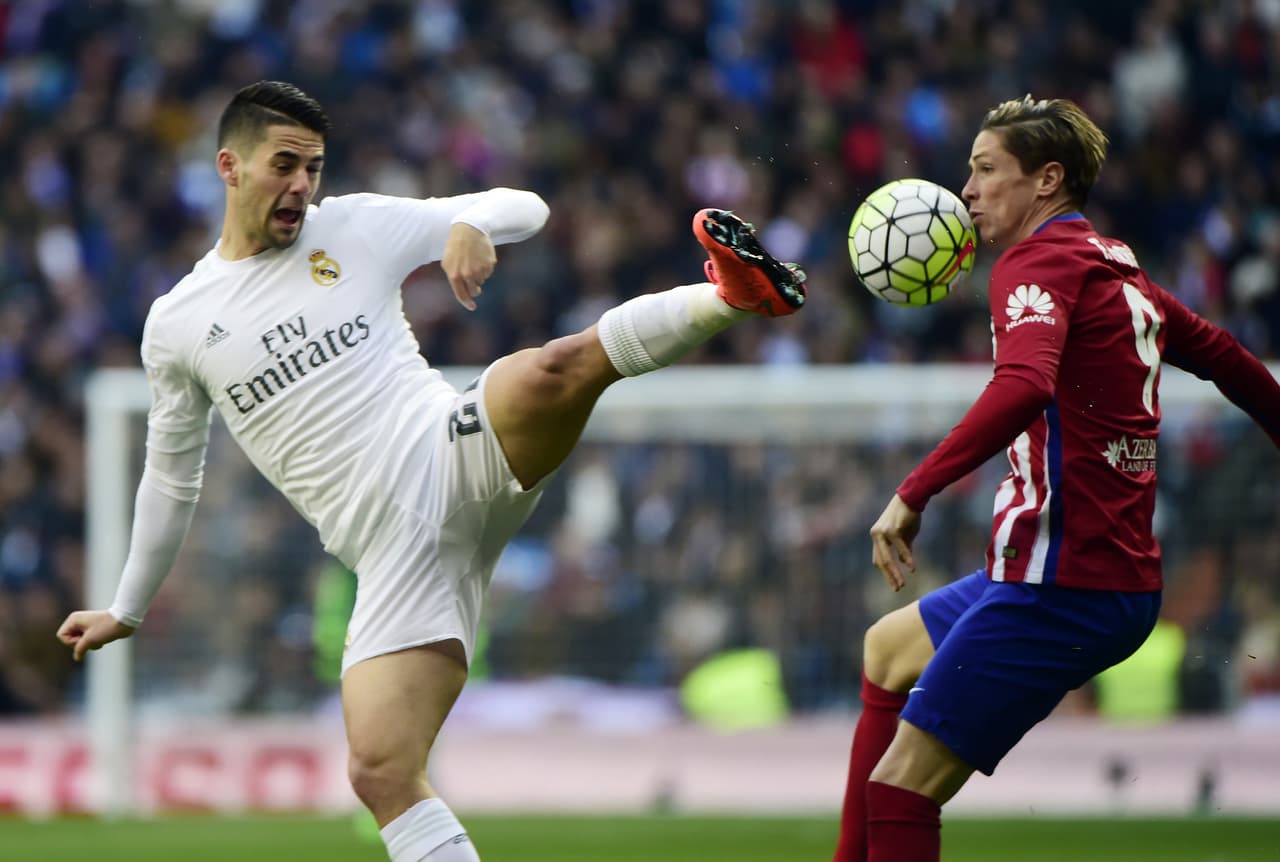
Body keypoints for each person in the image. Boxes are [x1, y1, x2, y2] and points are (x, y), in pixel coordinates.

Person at [55, 80, 806, 862]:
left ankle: (733, 294)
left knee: (544, 372)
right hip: (388, 558)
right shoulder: (177, 324)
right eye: (285, 164)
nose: (302, 186)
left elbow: (527, 207)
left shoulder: (349, 226)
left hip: (447, 453)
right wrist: (127, 607)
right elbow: (172, 476)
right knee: (381, 771)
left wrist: (470, 222)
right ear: (229, 166)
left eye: (313, 167)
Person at [831, 95, 1280, 862]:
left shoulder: (1034, 263)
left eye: (984, 170)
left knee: (902, 786)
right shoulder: (1115, 265)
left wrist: (914, 490)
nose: (966, 190)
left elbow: (1024, 386)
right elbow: (1229, 357)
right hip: (1083, 574)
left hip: (1063, 587)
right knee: (887, 650)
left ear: (1046, 181)